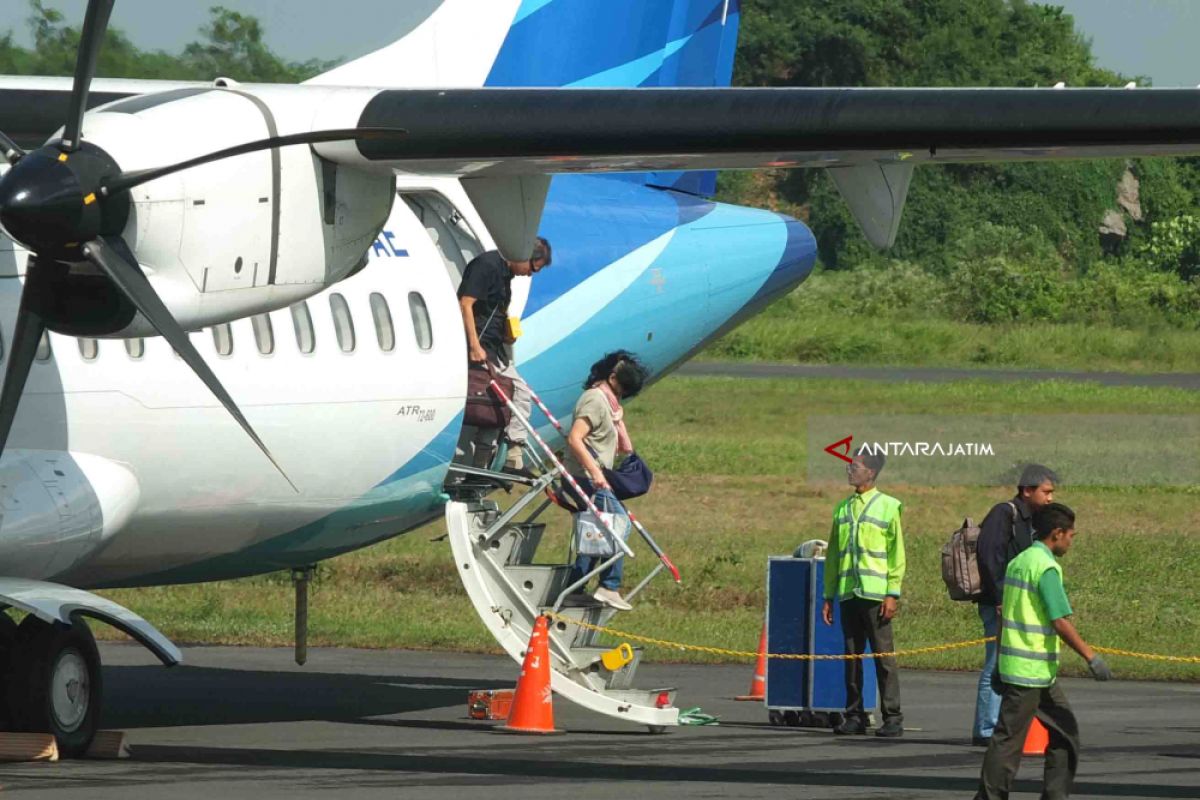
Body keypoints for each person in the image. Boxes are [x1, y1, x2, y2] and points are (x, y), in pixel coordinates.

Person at [974, 502, 1112, 800]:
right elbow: (1060, 621)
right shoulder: (1046, 567)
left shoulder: (1019, 561)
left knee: (1064, 731)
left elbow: (1003, 615)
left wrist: (999, 661)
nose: (1071, 542)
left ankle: (1055, 794)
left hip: (1027, 668)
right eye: (1071, 536)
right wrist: (1091, 657)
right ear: (1057, 533)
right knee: (1008, 742)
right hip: (1030, 671)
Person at [821, 446, 906, 738]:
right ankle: (854, 714)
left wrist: (892, 593)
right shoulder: (843, 508)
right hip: (848, 593)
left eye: (854, 466)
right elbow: (833, 555)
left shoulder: (888, 506)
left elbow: (897, 555)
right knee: (851, 656)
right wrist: (828, 595)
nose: (849, 470)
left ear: (870, 472)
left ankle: (892, 717)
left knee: (884, 658)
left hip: (875, 595)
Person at [972, 464, 1059, 746]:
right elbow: (989, 556)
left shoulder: (1033, 520)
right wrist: (999, 598)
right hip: (999, 603)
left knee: (1008, 663)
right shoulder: (1003, 513)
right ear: (1026, 490)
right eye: (1045, 492)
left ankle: (1003, 726)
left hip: (1014, 604)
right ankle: (986, 729)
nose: (1049, 498)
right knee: (995, 663)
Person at [455, 237, 551, 470]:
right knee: (520, 391)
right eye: (532, 268)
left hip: (495, 347)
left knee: (497, 407)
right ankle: (515, 451)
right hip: (481, 347)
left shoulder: (506, 274)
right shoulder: (487, 265)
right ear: (524, 256)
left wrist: (507, 333)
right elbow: (465, 303)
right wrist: (474, 345)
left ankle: (482, 466)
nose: (529, 275)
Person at [564, 351, 649, 612]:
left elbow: (625, 449)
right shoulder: (595, 400)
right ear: (612, 378)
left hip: (592, 478)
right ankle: (609, 586)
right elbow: (575, 438)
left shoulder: (608, 404)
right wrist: (597, 474)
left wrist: (619, 421)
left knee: (596, 532)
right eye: (622, 389)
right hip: (587, 478)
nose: (622, 395)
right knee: (618, 526)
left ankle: (574, 589)